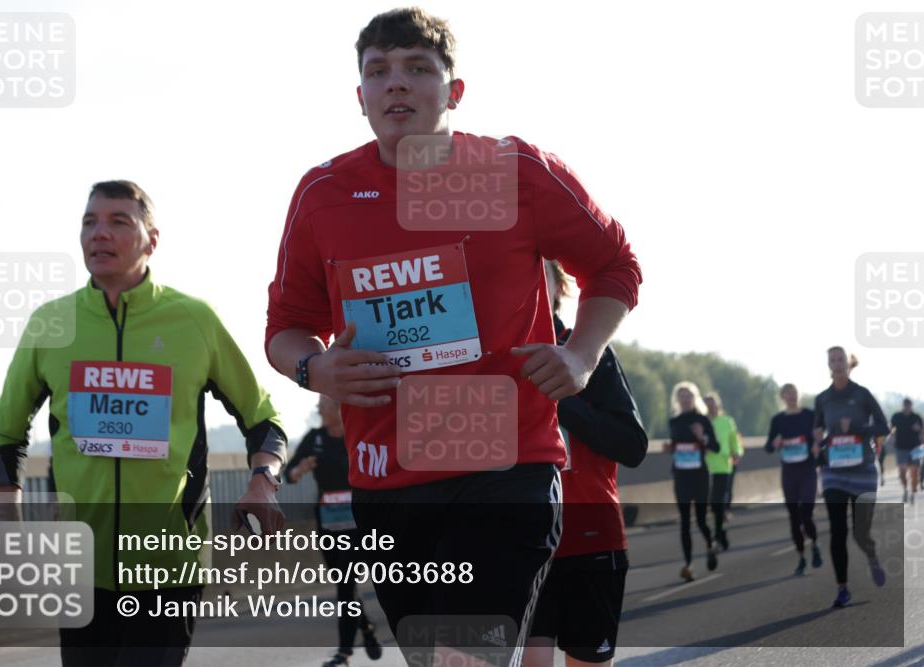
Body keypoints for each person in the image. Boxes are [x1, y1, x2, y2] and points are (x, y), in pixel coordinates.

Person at [264, 8, 642, 664]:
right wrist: (314, 369)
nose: (396, 85)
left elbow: (614, 264)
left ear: (455, 91)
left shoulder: (514, 168)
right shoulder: (323, 193)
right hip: (388, 482)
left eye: (417, 68)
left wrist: (581, 355)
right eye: (378, 72)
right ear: (360, 99)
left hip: (508, 465)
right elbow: (286, 327)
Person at [0, 180, 288, 667]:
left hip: (169, 564)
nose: (98, 234)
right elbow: (5, 437)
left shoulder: (194, 320)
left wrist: (263, 481)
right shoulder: (50, 324)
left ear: (152, 239)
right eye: (89, 222)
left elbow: (263, 419)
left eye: (118, 222)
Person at [524, 261, 647, 667]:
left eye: (534, 269)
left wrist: (563, 392)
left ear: (560, 284)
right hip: (517, 546)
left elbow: (632, 446)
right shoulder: (490, 358)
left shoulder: (588, 350)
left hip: (590, 541)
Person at [284, 395, 383, 667]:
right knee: (344, 583)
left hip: (357, 522)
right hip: (328, 522)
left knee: (346, 582)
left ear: (339, 409)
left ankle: (344, 652)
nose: (318, 411)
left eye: (323, 407)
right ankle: (366, 628)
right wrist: (298, 470)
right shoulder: (315, 438)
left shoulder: (357, 434)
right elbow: (289, 473)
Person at [813, 346, 889, 608]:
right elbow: (817, 428)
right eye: (832, 359)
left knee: (860, 532)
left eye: (841, 359)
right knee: (837, 529)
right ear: (829, 365)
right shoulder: (822, 398)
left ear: (849, 363)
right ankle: (842, 588)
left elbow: (883, 427)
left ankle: (871, 553)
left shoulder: (862, 394)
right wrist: (816, 442)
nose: (837, 363)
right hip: (834, 471)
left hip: (863, 470)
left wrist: (856, 428)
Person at [664, 382, 721, 581]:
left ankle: (711, 543)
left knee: (701, 518)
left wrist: (702, 437)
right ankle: (688, 565)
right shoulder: (675, 421)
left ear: (694, 398)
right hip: (681, 474)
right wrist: (670, 448)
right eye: (682, 396)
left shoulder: (702, 420)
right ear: (677, 400)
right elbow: (677, 444)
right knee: (685, 521)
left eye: (689, 396)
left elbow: (716, 447)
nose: (685, 399)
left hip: (699, 475)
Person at [765, 383, 822, 575]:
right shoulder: (778, 420)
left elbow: (821, 436)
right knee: (793, 516)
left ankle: (814, 543)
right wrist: (775, 443)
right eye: (787, 393)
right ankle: (801, 557)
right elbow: (768, 447)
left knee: (806, 512)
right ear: (782, 397)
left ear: (798, 395)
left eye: (794, 393)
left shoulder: (809, 415)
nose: (791, 396)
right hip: (789, 471)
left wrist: (817, 444)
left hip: (807, 469)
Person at [702, 392, 742, 551]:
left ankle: (719, 536)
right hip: (706, 464)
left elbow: (734, 438)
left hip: (724, 465)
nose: (710, 406)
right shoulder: (702, 422)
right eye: (707, 403)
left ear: (718, 404)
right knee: (713, 504)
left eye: (712, 402)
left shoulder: (727, 421)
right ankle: (722, 534)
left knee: (718, 503)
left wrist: (737, 451)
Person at [891, 398, 923, 505]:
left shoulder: (916, 417)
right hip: (900, 447)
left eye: (909, 405)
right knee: (902, 472)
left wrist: (919, 430)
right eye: (906, 405)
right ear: (903, 406)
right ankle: (905, 489)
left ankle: (913, 493)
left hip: (915, 448)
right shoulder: (896, 416)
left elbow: (922, 431)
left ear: (911, 406)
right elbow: (891, 428)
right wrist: (892, 435)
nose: (907, 407)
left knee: (914, 472)